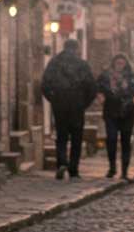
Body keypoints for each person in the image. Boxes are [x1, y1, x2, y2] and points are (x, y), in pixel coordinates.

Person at [40, 39, 97, 180]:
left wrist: (53, 99)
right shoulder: (82, 65)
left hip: (60, 105)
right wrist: (84, 103)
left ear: (64, 47)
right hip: (77, 106)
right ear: (77, 48)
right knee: (76, 138)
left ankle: (61, 163)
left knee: (61, 136)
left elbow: (45, 84)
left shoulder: (54, 63)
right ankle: (73, 169)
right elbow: (92, 87)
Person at [98, 54, 134, 180]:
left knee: (125, 141)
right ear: (113, 63)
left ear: (126, 64)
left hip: (127, 112)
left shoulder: (131, 77)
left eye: (122, 63)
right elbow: (98, 88)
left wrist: (133, 101)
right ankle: (112, 167)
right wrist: (100, 97)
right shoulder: (106, 76)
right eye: (117, 63)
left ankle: (125, 170)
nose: (120, 66)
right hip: (111, 111)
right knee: (111, 139)